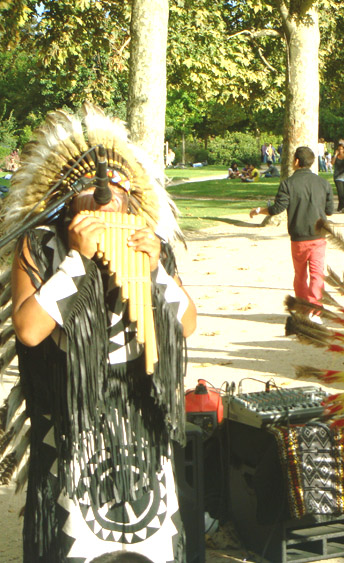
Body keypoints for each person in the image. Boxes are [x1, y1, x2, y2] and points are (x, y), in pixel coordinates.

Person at [4, 104, 196, 562]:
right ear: (67, 200)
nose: (106, 199)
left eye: (117, 190)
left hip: (140, 413)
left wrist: (154, 274)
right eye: (90, 191)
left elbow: (186, 323)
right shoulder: (38, 246)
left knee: (154, 542)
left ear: (132, 198)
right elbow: (29, 330)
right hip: (73, 414)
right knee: (76, 543)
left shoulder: (150, 248)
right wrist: (76, 259)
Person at [249, 146, 333, 317]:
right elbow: (330, 210)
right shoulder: (324, 183)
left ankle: (302, 308)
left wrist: (259, 210)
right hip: (318, 236)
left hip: (299, 237)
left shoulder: (288, 184)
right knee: (317, 274)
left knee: (300, 275)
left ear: (296, 161)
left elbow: (277, 209)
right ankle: (315, 309)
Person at [332, 143, 344, 213]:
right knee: (340, 192)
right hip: (338, 176)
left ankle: (341, 207)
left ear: (343, 150)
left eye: (342, 149)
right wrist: (335, 155)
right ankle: (343, 207)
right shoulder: (336, 157)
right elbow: (332, 163)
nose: (340, 150)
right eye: (339, 149)